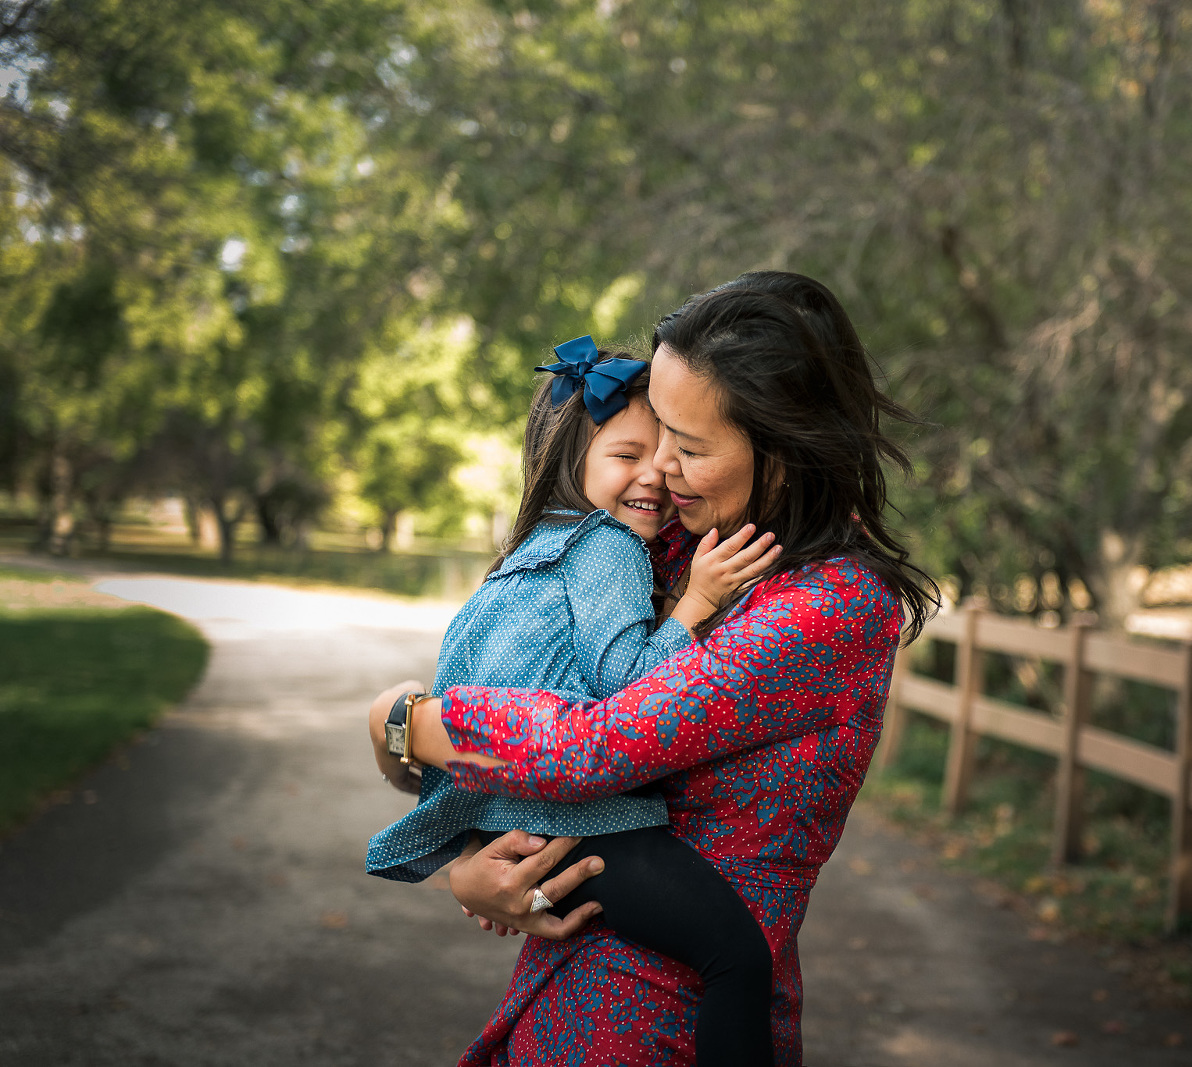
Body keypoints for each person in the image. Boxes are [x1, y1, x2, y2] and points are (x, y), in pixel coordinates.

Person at [369, 271, 939, 1066]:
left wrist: (412, 721)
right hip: (560, 994)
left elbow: (589, 748)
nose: (661, 467)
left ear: (783, 450)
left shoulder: (825, 608)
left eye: (690, 445)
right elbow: (531, 690)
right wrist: (466, 854)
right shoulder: (678, 543)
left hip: (659, 1023)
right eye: (655, 430)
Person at [366, 336, 783, 1066]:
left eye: (665, 452)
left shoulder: (523, 560)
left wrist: (470, 845)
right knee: (738, 959)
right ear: (574, 462)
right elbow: (631, 691)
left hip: (519, 828)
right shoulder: (611, 547)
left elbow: (459, 683)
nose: (653, 474)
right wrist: (697, 603)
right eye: (627, 455)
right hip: (592, 827)